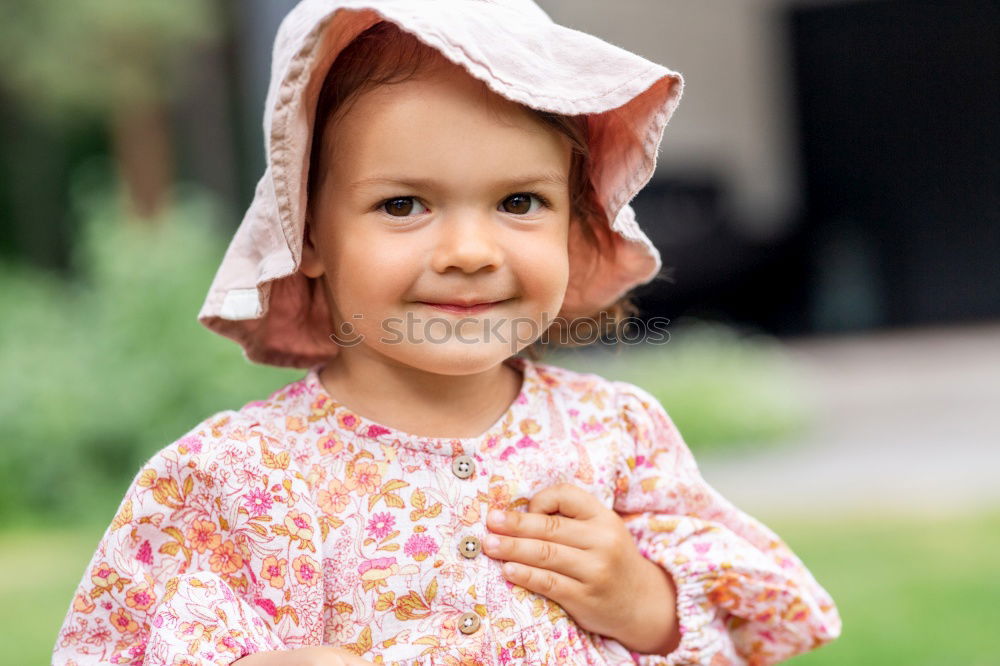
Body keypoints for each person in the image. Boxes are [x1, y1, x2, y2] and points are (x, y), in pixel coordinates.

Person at [52, 1, 841, 664]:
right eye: (403, 205)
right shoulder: (236, 480)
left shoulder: (617, 439)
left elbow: (749, 631)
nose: (469, 253)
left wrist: (646, 603)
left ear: (574, 224)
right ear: (309, 238)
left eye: (519, 202)